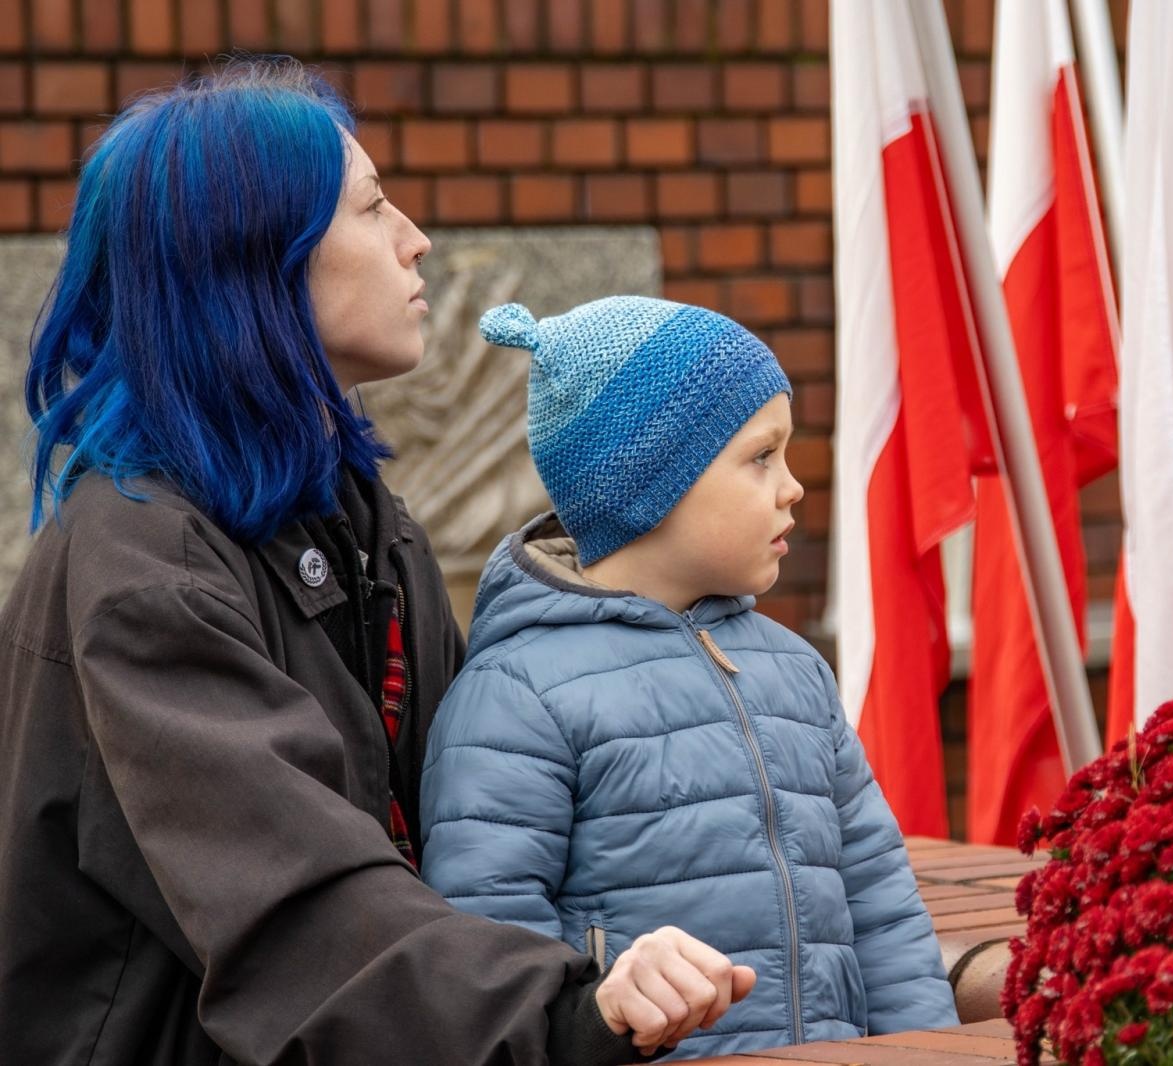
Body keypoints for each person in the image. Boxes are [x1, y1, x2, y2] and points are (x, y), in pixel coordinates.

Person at [0, 59, 748, 1064]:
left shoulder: (351, 516)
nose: (416, 239)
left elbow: (475, 810)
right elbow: (298, 908)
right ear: (257, 261)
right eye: (373, 207)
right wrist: (564, 1012)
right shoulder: (144, 561)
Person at [419, 297, 959, 1060]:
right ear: (651, 482)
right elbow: (489, 942)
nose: (792, 487)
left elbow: (881, 909)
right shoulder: (516, 696)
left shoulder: (794, 671)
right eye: (760, 456)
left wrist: (927, 1050)